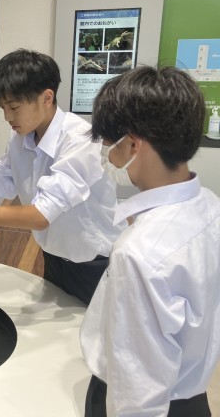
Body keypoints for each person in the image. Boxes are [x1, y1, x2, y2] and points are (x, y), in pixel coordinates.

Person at [0, 49, 125, 304]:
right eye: (3, 108)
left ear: (46, 98)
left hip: (96, 265)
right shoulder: (21, 137)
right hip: (54, 255)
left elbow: (40, 216)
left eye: (14, 107)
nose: (7, 117)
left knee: (91, 327)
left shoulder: (80, 141)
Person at [80, 66, 220, 416]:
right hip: (192, 395)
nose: (106, 155)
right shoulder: (211, 205)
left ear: (132, 145)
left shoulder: (138, 253)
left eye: (108, 145)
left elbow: (137, 391)